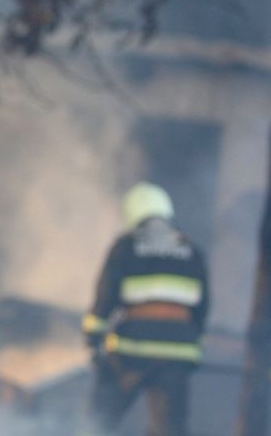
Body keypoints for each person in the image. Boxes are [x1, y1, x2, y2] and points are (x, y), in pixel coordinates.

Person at [80, 182, 209, 436]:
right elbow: (202, 308)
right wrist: (194, 344)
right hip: (178, 351)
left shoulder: (127, 246)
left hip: (133, 348)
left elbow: (105, 298)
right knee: (170, 429)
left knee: (98, 421)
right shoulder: (192, 250)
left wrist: (93, 339)